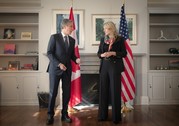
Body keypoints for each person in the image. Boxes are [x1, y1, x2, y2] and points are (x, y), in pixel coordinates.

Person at [46, 19, 80, 125]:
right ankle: (50, 115)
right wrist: (59, 64)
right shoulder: (54, 37)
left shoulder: (72, 40)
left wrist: (76, 59)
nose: (72, 28)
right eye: (70, 26)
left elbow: (71, 55)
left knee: (67, 93)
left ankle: (64, 114)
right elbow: (49, 53)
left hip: (67, 71)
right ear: (64, 27)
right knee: (53, 93)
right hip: (55, 70)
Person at [97, 21, 127, 124]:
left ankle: (116, 117)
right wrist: (102, 55)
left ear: (111, 29)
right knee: (103, 90)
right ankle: (102, 115)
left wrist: (113, 53)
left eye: (106, 29)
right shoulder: (103, 39)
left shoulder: (120, 39)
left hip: (115, 66)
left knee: (115, 90)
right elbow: (98, 53)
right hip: (104, 66)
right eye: (104, 29)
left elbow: (124, 53)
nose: (104, 30)